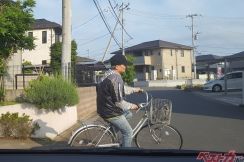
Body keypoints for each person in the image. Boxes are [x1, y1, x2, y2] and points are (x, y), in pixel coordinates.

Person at [96, 54, 143, 147]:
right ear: (117, 66)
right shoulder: (116, 78)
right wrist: (133, 106)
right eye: (124, 64)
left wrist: (135, 89)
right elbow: (119, 102)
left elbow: (119, 89)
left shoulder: (107, 75)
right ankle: (125, 155)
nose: (125, 66)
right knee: (128, 132)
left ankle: (113, 131)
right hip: (111, 112)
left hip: (103, 108)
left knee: (128, 114)